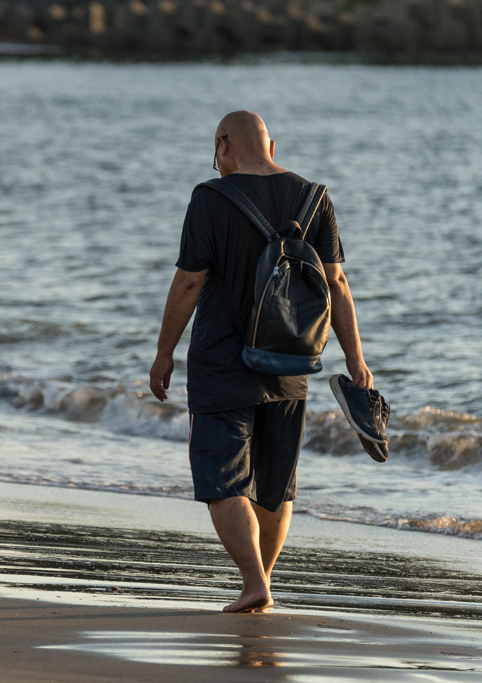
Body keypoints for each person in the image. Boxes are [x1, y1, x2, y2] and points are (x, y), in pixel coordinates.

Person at [149, 110, 373, 614]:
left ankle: (254, 583)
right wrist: (356, 359)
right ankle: (262, 582)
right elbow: (336, 284)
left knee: (224, 478)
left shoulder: (209, 198)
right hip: (292, 359)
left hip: (223, 362)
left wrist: (164, 352)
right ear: (273, 146)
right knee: (275, 483)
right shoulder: (314, 197)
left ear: (222, 143)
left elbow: (189, 282)